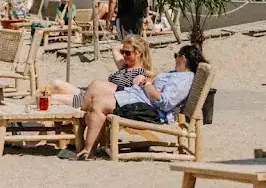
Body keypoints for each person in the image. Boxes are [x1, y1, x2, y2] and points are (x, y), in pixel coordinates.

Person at [70, 43, 206, 160]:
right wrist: (148, 82)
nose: (175, 59)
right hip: (139, 97)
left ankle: (88, 151)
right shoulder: (177, 74)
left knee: (99, 103)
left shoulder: (183, 79)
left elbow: (165, 102)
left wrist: (147, 85)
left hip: (150, 110)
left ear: (182, 58)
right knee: (96, 90)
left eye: (176, 55)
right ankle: (85, 145)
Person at [49, 35, 154, 108]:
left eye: (127, 53)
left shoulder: (140, 74)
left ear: (139, 53)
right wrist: (129, 45)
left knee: (52, 99)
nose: (124, 55)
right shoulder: (124, 66)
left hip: (95, 102)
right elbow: (115, 48)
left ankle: (47, 132)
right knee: (56, 84)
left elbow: (131, 96)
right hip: (89, 95)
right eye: (123, 52)